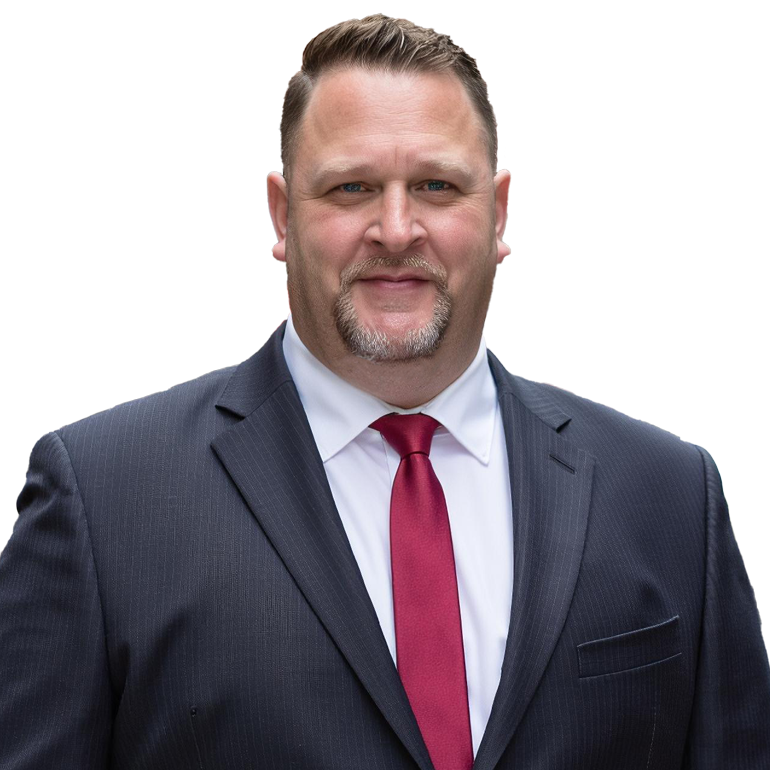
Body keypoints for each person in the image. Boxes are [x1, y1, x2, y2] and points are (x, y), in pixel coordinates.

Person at [2, 13, 769, 770]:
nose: (396, 229)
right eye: (351, 188)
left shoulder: (670, 494)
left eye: (436, 185)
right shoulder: (103, 501)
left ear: (500, 214)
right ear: (280, 216)